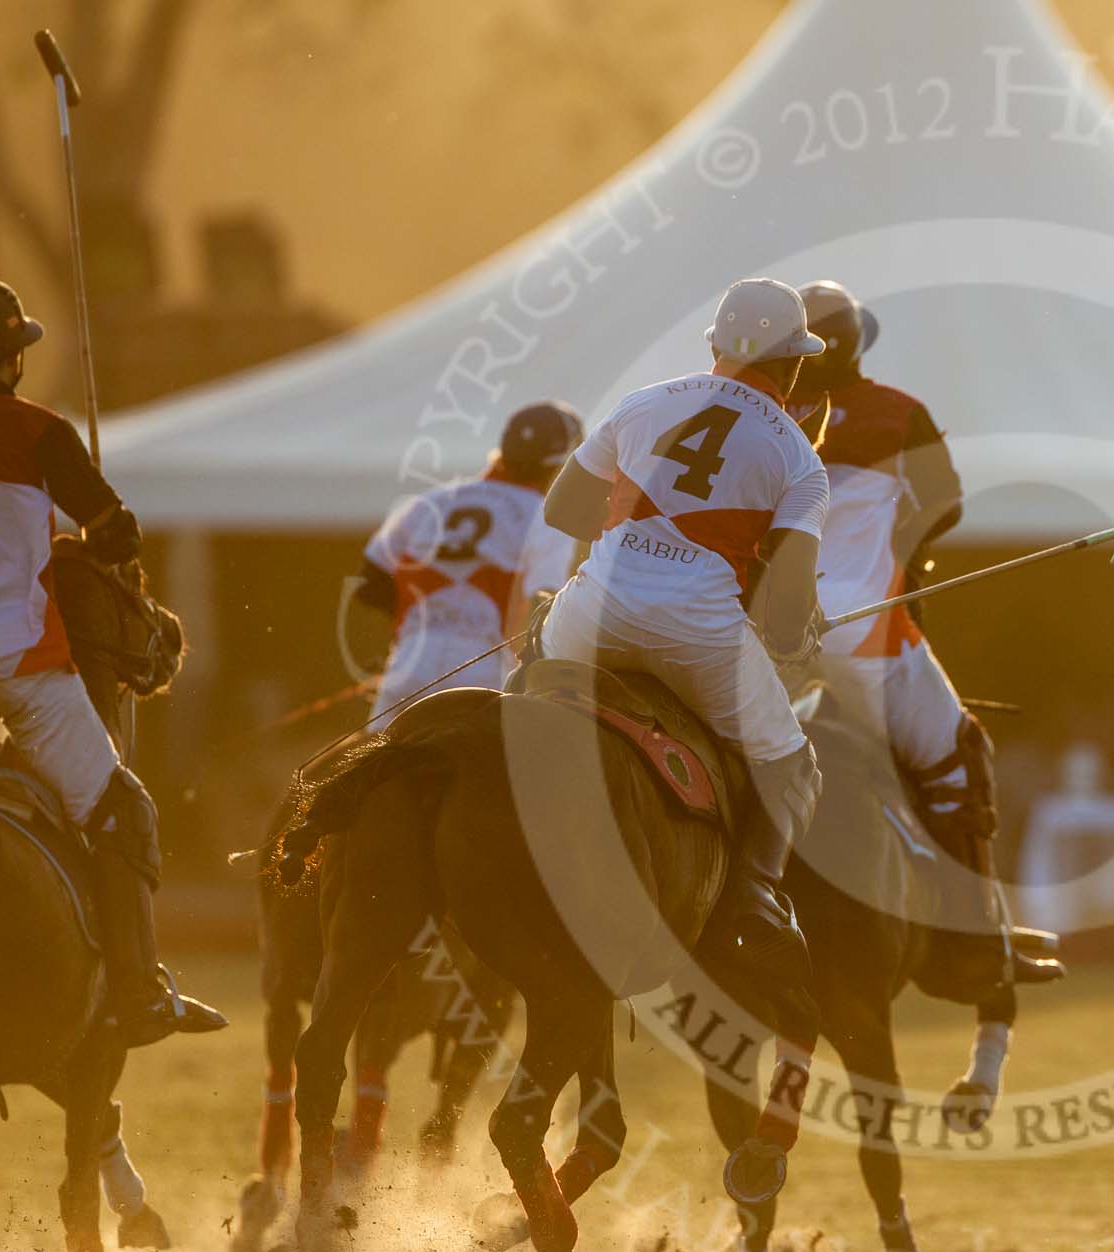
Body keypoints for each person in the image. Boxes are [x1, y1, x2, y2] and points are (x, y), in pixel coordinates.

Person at [0, 278, 223, 1047]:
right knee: (122, 810)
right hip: (26, 670)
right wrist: (114, 544)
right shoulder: (41, 430)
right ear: (11, 356)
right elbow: (114, 533)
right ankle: (139, 990)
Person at [536, 278, 828, 981]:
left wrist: (632, 540)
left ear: (719, 347)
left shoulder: (642, 402)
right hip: (696, 638)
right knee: (794, 764)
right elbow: (786, 607)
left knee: (524, 687)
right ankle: (752, 901)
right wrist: (795, 635)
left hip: (590, 619)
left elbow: (562, 509)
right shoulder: (798, 456)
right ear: (793, 364)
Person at [788, 279, 1061, 996]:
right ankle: (973, 938)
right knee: (958, 755)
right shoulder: (898, 412)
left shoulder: (760, 415)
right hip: (858, 632)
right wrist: (903, 550)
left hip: (761, 635)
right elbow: (945, 504)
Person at [353, 401, 583, 726]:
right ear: (559, 464)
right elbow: (541, 604)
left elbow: (368, 585)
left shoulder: (430, 501)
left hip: (410, 661)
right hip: (483, 671)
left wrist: (425, 625)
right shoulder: (547, 519)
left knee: (365, 767)